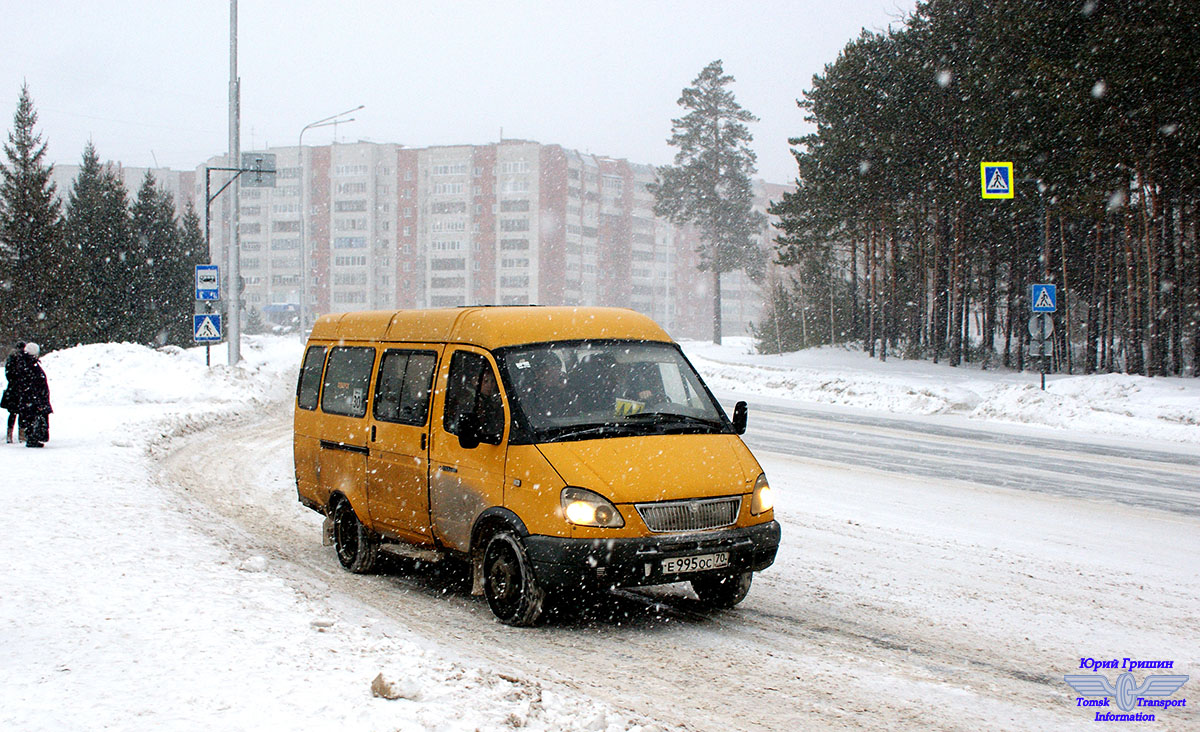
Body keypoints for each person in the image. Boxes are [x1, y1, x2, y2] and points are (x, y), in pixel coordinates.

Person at [15, 342, 52, 448]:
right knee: (34, 417)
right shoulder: (29, 365)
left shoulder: (24, 363)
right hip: (33, 397)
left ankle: (32, 436)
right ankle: (33, 437)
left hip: (30, 397)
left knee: (31, 417)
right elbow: (33, 382)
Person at [2, 341, 26, 443]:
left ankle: (9, 434)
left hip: (12, 389)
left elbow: (8, 374)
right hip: (20, 390)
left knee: (12, 413)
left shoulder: (11, 359)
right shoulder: (22, 359)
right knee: (21, 413)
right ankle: (21, 435)